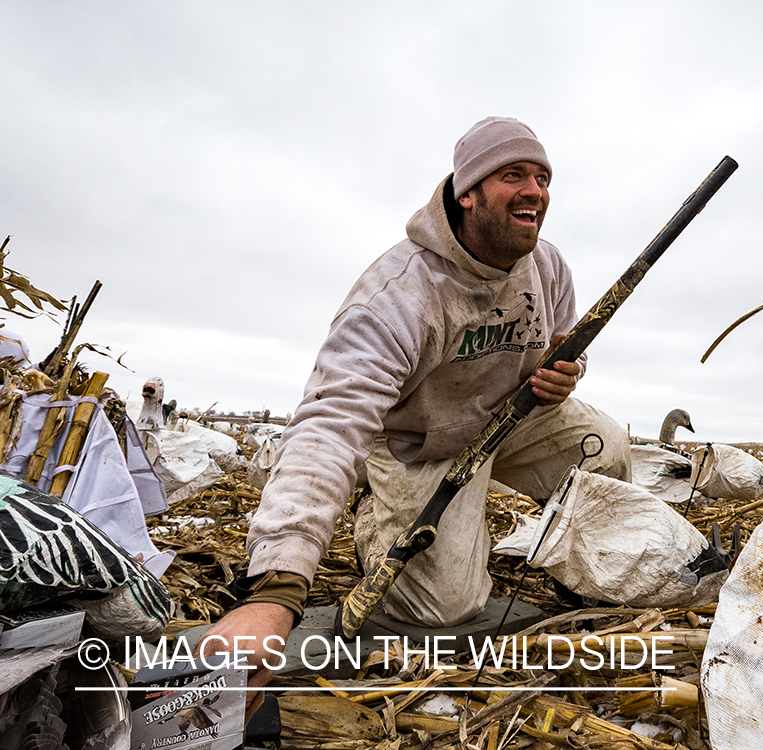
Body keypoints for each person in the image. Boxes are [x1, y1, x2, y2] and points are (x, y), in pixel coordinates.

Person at [198, 117, 631, 689]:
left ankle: (583, 576)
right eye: (513, 175)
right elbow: (331, 424)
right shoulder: (399, 294)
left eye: (543, 178)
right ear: (467, 193)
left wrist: (566, 372)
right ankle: (376, 521)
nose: (535, 191)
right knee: (441, 608)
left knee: (606, 449)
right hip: (423, 441)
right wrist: (275, 591)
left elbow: (567, 342)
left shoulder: (548, 267)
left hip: (514, 417)